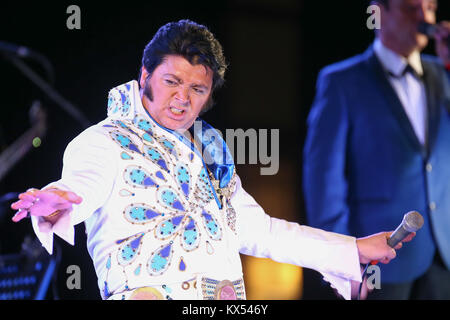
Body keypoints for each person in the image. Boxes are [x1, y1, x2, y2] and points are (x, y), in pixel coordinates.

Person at [11, 20, 410, 300]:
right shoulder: (103, 141)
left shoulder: (210, 151)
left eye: (197, 89)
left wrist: (351, 249)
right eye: (172, 82)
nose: (183, 99)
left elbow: (262, 231)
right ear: (145, 74)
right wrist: (56, 200)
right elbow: (82, 185)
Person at [303, 0, 450, 299]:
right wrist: (343, 260)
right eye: (412, 8)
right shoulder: (342, 81)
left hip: (442, 255)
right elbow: (324, 181)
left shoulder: (443, 74)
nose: (424, 17)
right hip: (379, 260)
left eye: (431, 8)